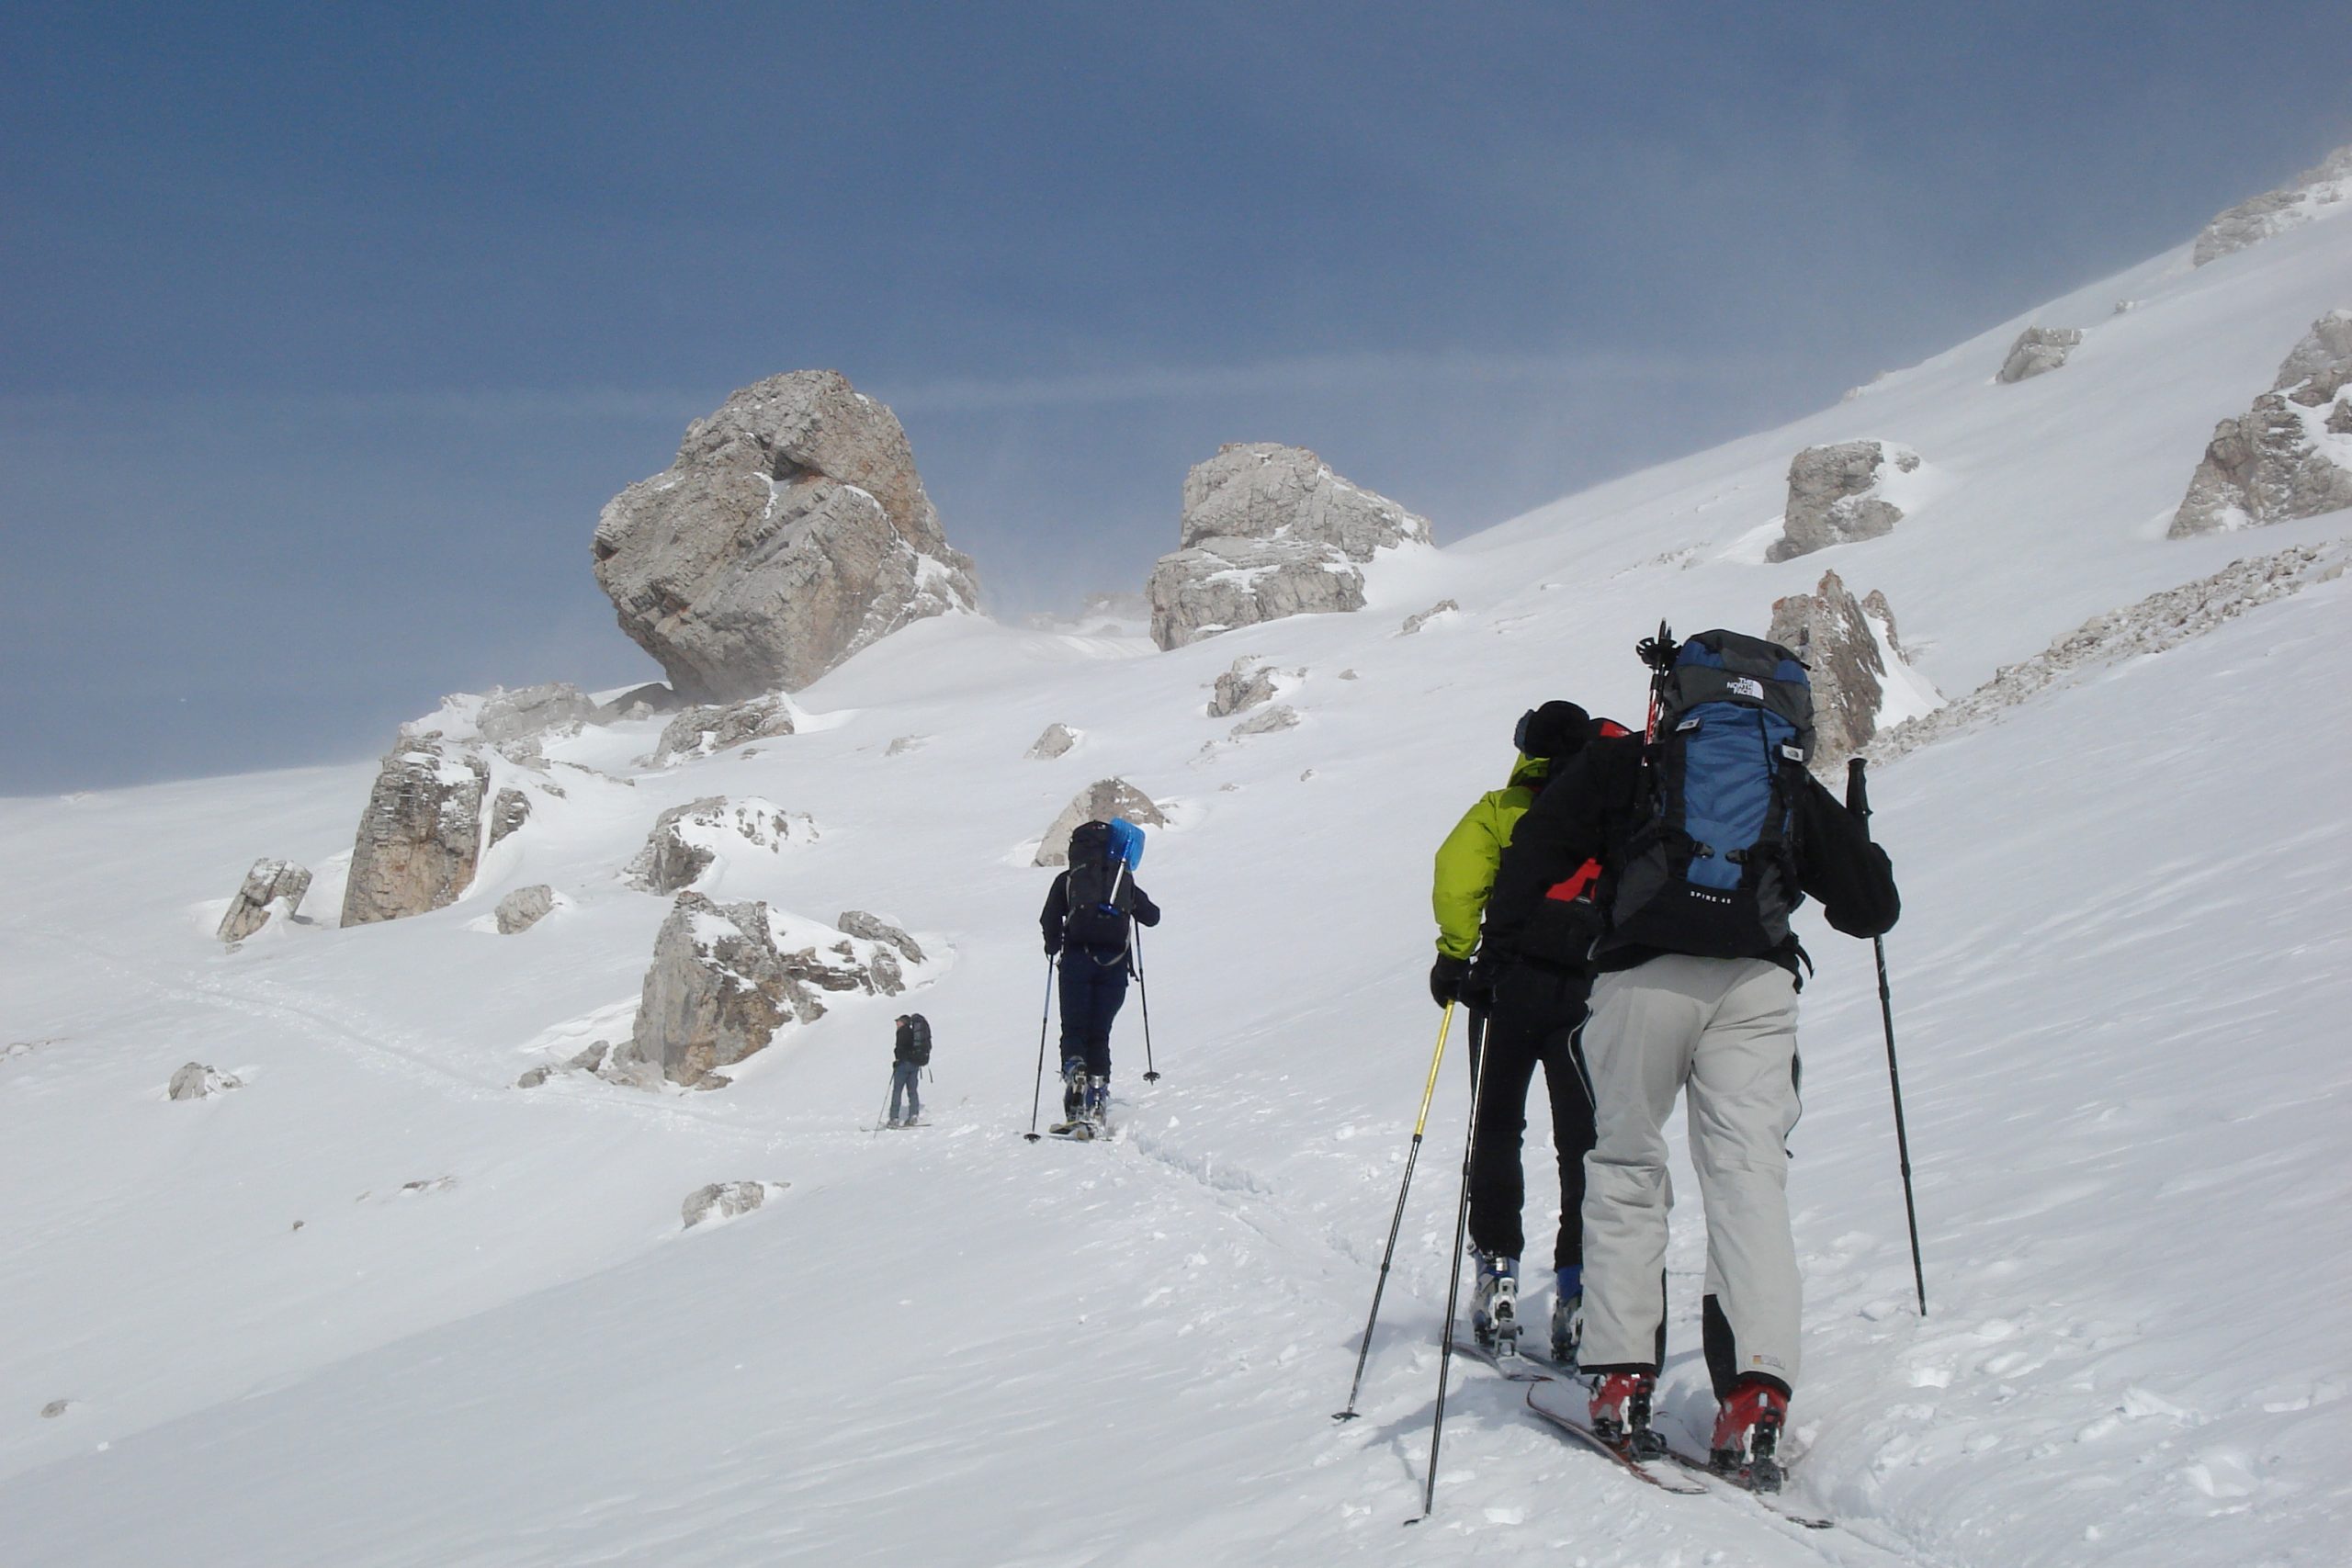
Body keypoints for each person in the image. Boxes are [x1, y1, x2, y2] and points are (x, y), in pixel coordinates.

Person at [1484, 627, 1899, 1488]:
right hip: (1756, 987)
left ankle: (1622, 1380)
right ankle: (1755, 1399)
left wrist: (1519, 950)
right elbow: (1868, 910)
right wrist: (1861, 843)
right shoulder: (1785, 779)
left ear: (1673, 696)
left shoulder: (1630, 765)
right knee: (1749, 1180)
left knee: (1627, 1167)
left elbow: (1532, 853)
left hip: (1641, 982)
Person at [1428, 700, 1623, 1366]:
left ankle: (1498, 1274)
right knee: (1582, 1139)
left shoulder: (1501, 807)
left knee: (1497, 1124)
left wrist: (1455, 956)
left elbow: (1457, 880)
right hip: (1589, 992)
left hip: (1507, 986)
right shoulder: (1610, 800)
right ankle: (1575, 1285)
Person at [1040, 820, 1161, 1130]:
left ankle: (1075, 1072)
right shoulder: (1123, 881)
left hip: (1076, 962)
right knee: (1099, 1032)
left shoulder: (1068, 879)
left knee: (1074, 1029)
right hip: (1115, 965)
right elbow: (1152, 917)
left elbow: (1049, 919)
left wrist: (1053, 945)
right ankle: (1096, 1095)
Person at [888, 1012, 931, 1127]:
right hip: (914, 1064)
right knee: (912, 1091)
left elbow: (900, 1048)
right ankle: (913, 1116)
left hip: (903, 1065)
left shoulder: (902, 1031)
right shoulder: (914, 1033)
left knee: (897, 1091)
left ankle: (894, 1118)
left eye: (898, 1021)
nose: (897, 1023)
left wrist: (897, 1060)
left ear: (903, 1022)